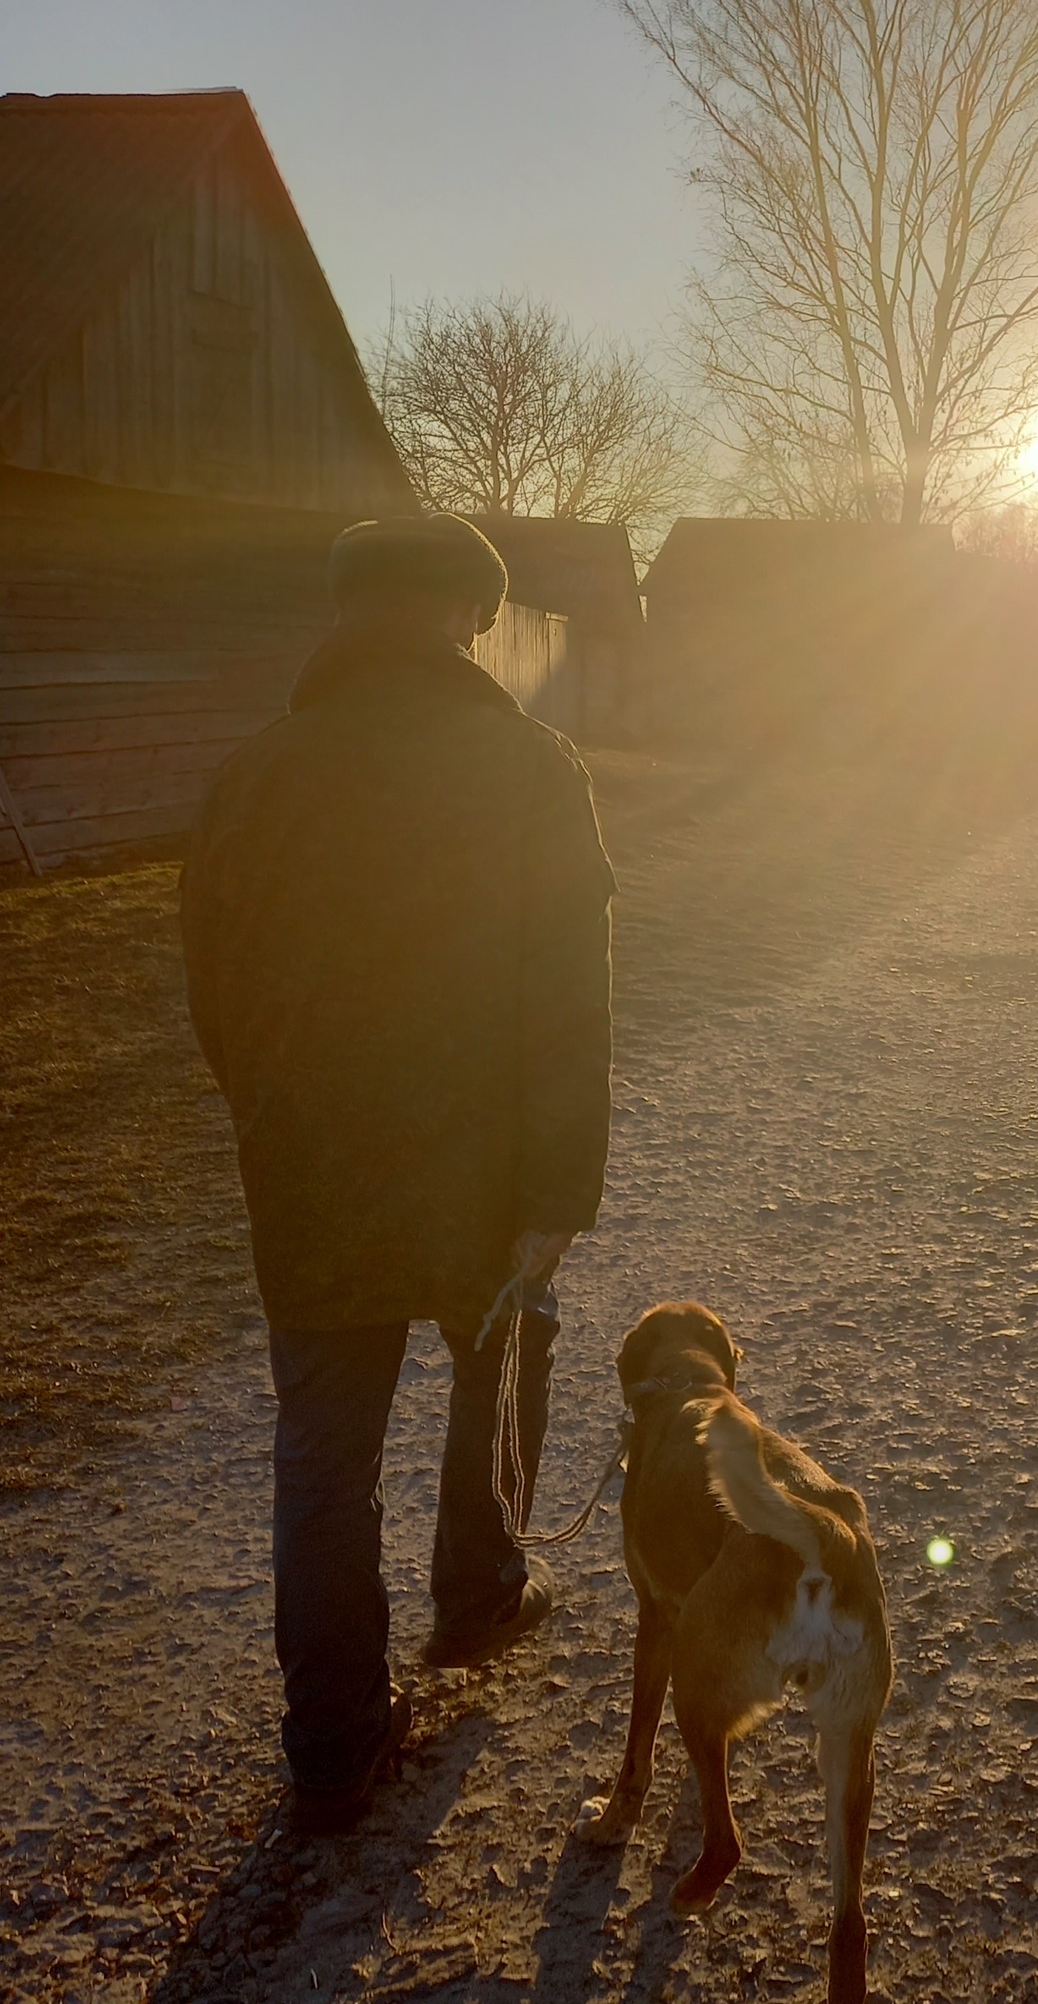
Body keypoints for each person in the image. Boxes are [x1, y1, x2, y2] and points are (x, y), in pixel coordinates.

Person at [181, 514, 615, 1834]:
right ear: (470, 619)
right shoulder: (533, 767)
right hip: (483, 1172)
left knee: (322, 1453)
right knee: (501, 1368)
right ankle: (479, 1595)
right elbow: (567, 1002)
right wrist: (560, 1189)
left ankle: (331, 1743)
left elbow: (218, 985)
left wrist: (274, 1109)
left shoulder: (255, 775)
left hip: (310, 1168)